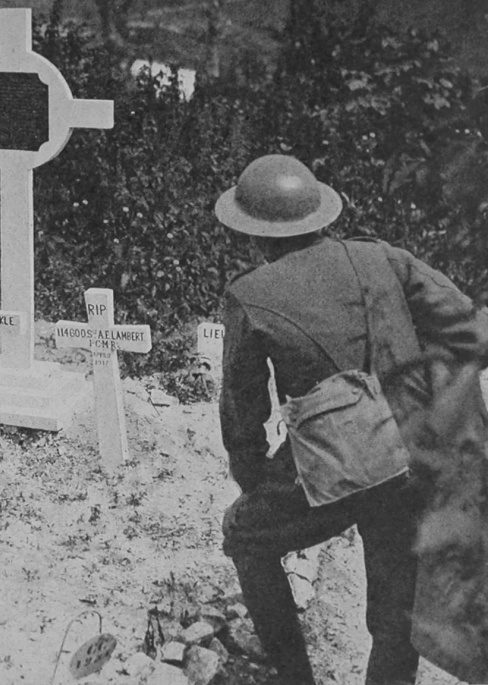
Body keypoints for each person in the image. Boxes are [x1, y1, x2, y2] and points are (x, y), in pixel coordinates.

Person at [213, 154, 488, 684]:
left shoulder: (248, 297)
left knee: (243, 534)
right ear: (320, 215)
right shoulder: (382, 258)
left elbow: (243, 415)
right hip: (415, 457)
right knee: (395, 612)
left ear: (253, 234)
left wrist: (261, 481)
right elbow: (471, 334)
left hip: (332, 470)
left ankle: (293, 676)